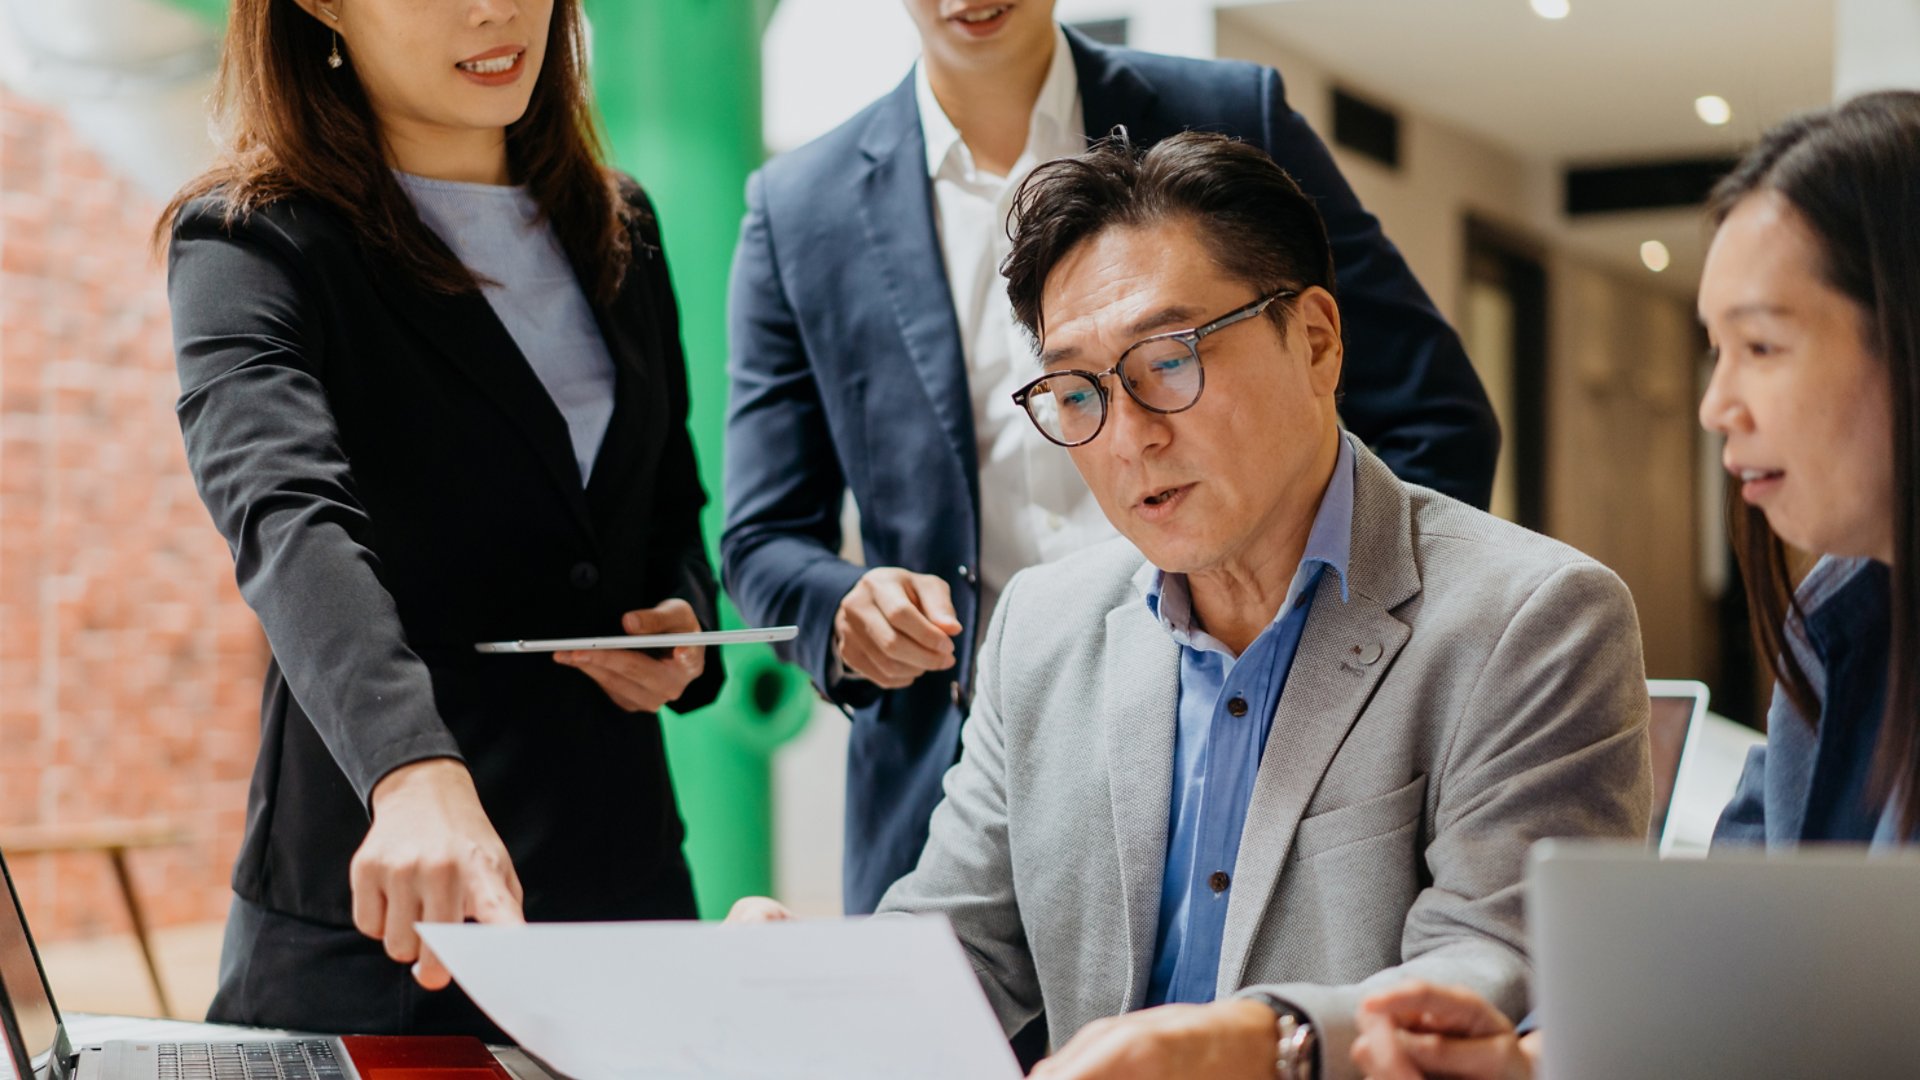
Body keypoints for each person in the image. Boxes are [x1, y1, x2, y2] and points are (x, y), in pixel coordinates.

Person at [728, 130, 1649, 1080]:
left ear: (1318, 342)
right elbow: (959, 953)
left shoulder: (1533, 619)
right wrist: (811, 984)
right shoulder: (1042, 630)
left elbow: (1497, 976)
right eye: (1077, 389)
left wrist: (1266, 1043)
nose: (1128, 437)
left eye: (1168, 360)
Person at [720, 0, 1502, 920]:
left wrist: (1337, 651)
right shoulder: (798, 207)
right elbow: (764, 536)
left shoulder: (1228, 115)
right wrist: (845, 607)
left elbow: (1434, 412)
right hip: (958, 768)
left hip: (1257, 717)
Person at [159, 0, 723, 1038]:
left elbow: (666, 511)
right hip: (386, 928)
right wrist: (409, 770)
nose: (494, 8)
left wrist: (679, 620)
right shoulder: (252, 240)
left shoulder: (618, 224)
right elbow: (289, 518)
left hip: (622, 896)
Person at [1347, 89, 1920, 1080]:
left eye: (1764, 347)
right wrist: (1533, 1062)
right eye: (1716, 351)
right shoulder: (1836, 631)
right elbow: (1736, 979)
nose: (1715, 407)